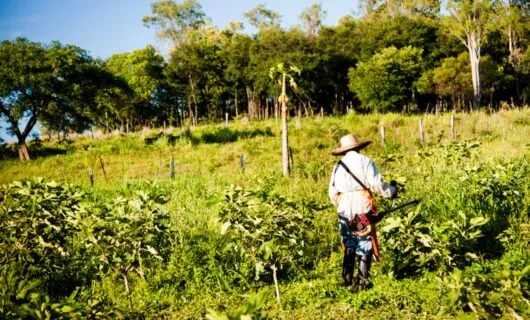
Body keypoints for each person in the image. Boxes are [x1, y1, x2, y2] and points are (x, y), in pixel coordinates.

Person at [328, 134, 397, 289]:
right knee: (364, 239)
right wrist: (391, 191)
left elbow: (332, 193)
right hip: (362, 202)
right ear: (358, 147)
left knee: (349, 240)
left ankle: (347, 281)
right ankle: (362, 283)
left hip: (343, 204)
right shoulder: (365, 161)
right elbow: (376, 185)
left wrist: (340, 205)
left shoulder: (338, 166)